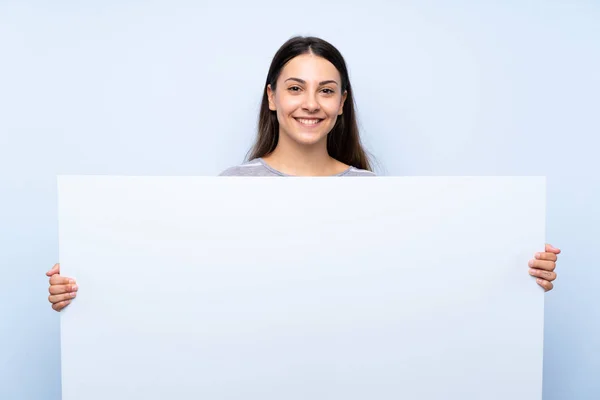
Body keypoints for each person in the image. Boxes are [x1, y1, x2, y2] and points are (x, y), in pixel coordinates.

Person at [46, 36, 561, 311]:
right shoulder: (231, 188)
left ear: (342, 103)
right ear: (271, 99)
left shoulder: (375, 196)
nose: (310, 103)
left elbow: (418, 291)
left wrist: (514, 278)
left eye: (326, 89)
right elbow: (183, 288)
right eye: (294, 88)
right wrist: (88, 290)